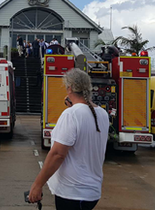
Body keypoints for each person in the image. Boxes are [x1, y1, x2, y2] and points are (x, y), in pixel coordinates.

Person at [29, 68, 109, 209]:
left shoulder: (71, 114)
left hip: (73, 194)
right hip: (91, 192)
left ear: (69, 88)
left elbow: (58, 154)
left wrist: (37, 184)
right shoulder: (102, 114)